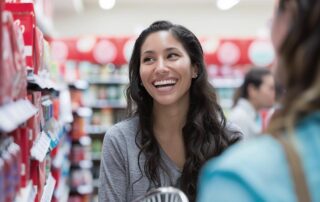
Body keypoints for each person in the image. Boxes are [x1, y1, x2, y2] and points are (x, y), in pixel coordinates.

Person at [98, 20, 241, 202]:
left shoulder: (229, 139)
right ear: (140, 75)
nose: (160, 68)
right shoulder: (120, 141)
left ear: (194, 68)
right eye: (149, 59)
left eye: (172, 56)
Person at [197, 0, 320, 201]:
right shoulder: (241, 120)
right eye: (269, 88)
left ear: (288, 17)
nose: (273, 94)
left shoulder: (237, 178)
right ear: (252, 91)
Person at [229, 67, 275, 139]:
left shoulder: (251, 116)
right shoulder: (240, 118)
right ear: (252, 90)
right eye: (271, 88)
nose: (274, 94)